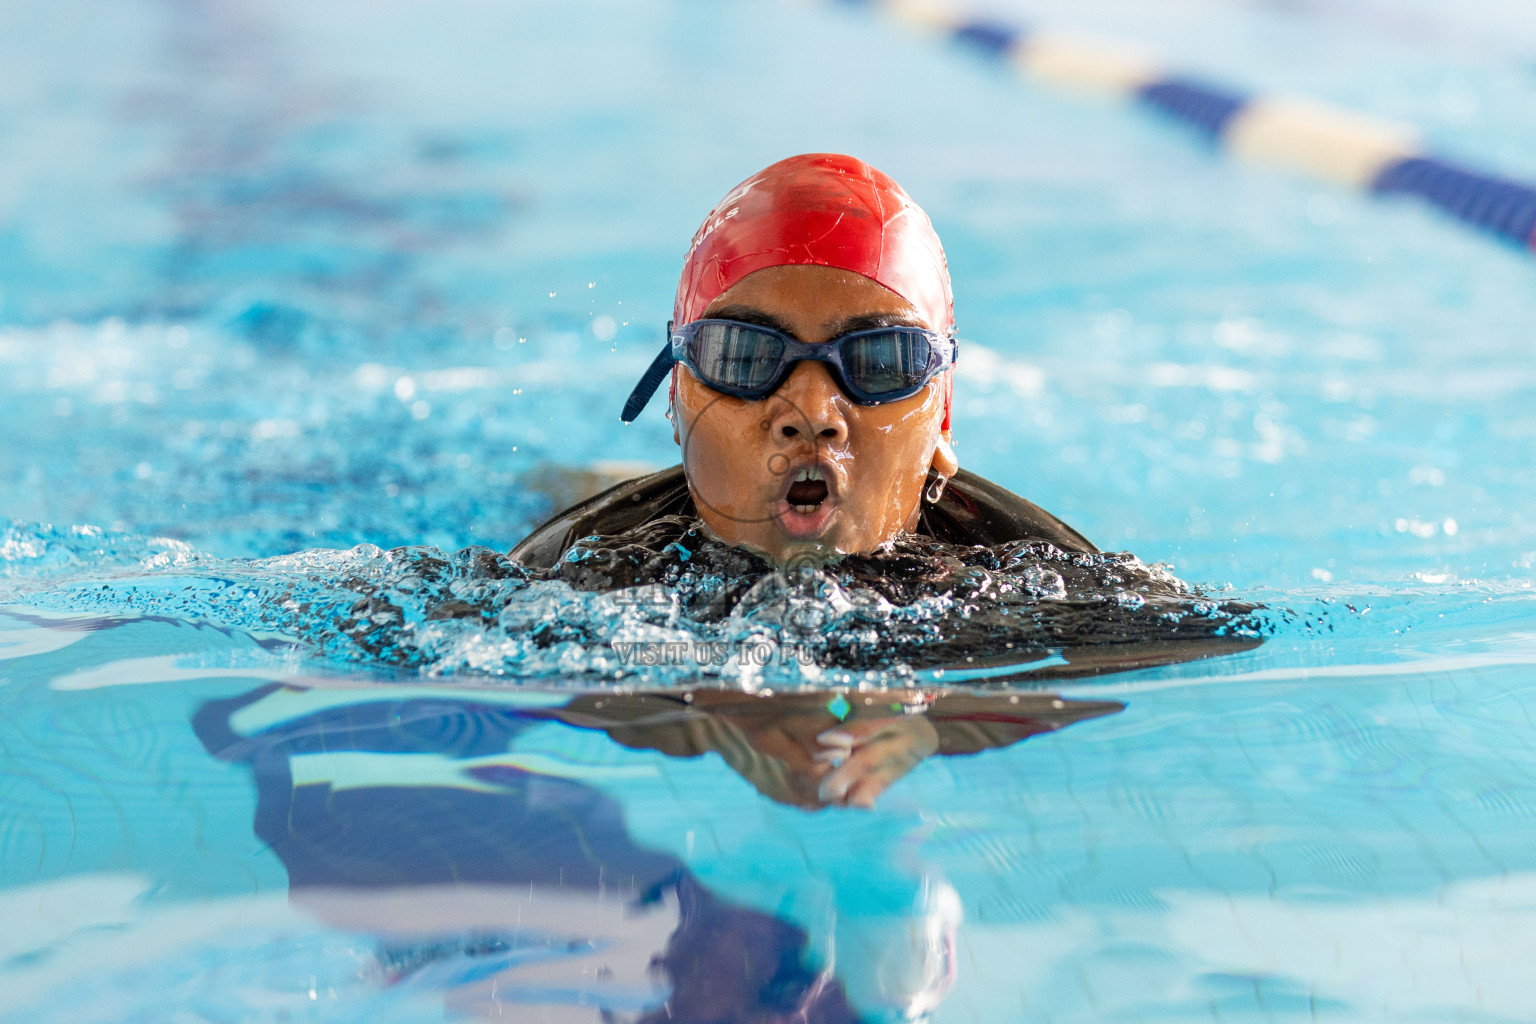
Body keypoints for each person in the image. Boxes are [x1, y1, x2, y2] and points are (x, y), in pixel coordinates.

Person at [512, 153, 1094, 571]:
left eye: (881, 361)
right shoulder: (573, 567)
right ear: (677, 399)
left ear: (942, 419)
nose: (812, 411)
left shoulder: (1054, 585)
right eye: (742, 355)